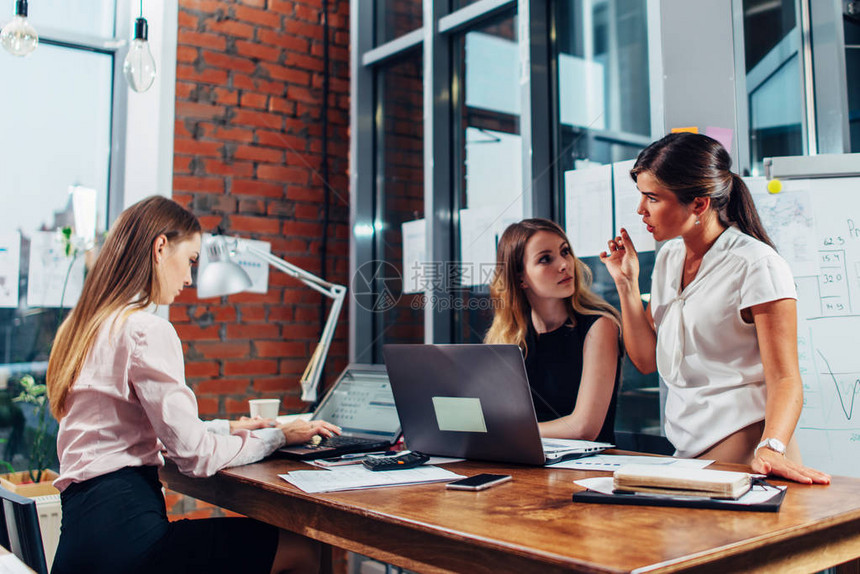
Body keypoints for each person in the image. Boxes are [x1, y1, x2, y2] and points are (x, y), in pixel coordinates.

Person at [46, 196, 341, 574]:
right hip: (132, 549)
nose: (189, 278)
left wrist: (229, 427)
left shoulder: (81, 329)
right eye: (191, 260)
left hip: (81, 545)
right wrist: (280, 437)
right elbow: (194, 455)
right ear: (160, 247)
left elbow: (131, 430)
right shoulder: (145, 329)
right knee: (302, 548)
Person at [599, 132, 830, 484]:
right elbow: (646, 361)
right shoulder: (668, 260)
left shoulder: (756, 265)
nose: (640, 210)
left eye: (652, 198)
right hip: (687, 451)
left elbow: (785, 378)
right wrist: (626, 284)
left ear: (699, 204)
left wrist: (772, 446)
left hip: (747, 448)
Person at [485, 218, 621, 443]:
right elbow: (493, 415)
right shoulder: (508, 337)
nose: (564, 264)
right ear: (520, 278)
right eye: (546, 259)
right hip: (527, 464)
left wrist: (505, 431)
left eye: (565, 251)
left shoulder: (599, 326)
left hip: (587, 470)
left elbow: (583, 429)